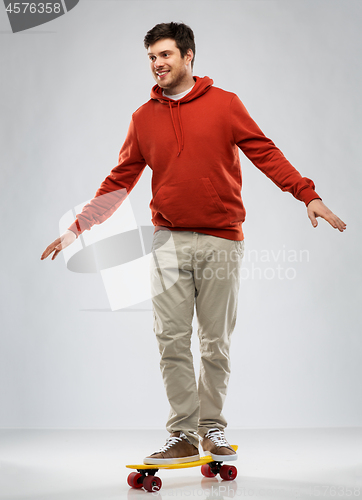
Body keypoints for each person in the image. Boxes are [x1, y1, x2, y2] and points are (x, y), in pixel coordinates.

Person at [41, 22, 346, 465]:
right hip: (168, 240)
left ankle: (213, 428)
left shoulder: (225, 105)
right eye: (151, 57)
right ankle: (182, 433)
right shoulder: (143, 118)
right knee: (171, 339)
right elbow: (121, 177)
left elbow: (265, 151)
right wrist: (79, 226)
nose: (157, 64)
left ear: (188, 56)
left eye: (165, 55)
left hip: (222, 239)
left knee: (215, 342)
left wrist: (307, 195)